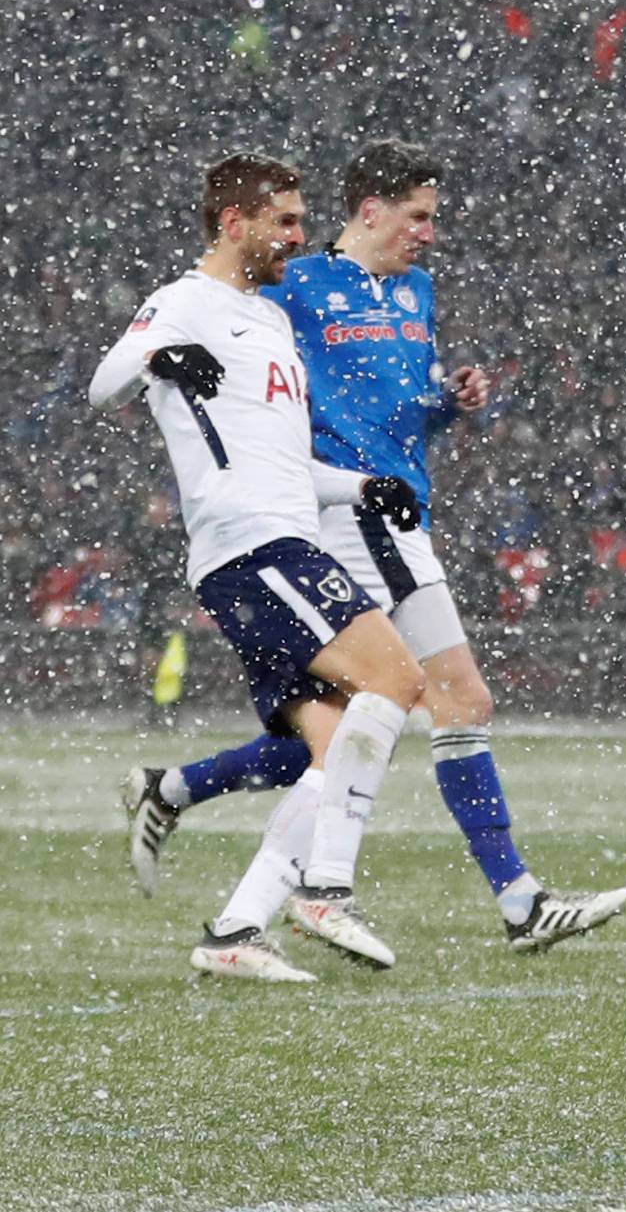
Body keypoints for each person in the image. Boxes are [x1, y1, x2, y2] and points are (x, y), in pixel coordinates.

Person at [120, 140, 626, 952]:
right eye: (418, 217)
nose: (428, 234)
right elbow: (238, 349)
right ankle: (481, 899)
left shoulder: (417, 291)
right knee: (425, 701)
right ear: (370, 210)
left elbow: (406, 398)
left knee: (328, 735)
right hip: (340, 512)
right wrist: (171, 384)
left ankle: (186, 808)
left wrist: (447, 401)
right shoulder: (298, 285)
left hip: (397, 505)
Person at [91, 152, 426, 981]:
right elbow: (102, 383)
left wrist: (361, 486)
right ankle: (325, 889)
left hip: (282, 535)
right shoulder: (185, 301)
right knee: (398, 681)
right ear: (234, 223)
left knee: (330, 743)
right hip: (254, 548)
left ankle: (235, 931)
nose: (298, 235)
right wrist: (157, 360)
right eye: (284, 220)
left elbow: (281, 462)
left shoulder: (268, 319)